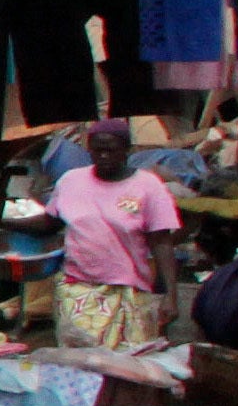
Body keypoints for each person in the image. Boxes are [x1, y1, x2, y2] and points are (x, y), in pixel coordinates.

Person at [46, 118, 180, 351]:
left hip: (130, 292)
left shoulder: (148, 186)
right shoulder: (70, 181)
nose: (103, 156)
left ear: (126, 150)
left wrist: (170, 294)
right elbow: (49, 223)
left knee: (129, 366)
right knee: (84, 362)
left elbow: (161, 242)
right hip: (79, 290)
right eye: (97, 151)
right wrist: (2, 220)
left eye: (110, 150)